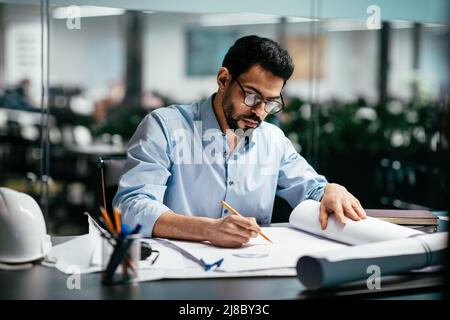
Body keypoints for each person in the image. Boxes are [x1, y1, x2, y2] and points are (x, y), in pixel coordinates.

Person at [113, 35, 366, 248]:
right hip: (174, 270)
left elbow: (311, 189)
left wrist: (331, 190)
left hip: (251, 270)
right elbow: (130, 208)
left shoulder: (272, 139)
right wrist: (208, 230)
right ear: (224, 80)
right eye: (252, 96)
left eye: (271, 102)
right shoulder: (165, 127)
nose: (260, 111)